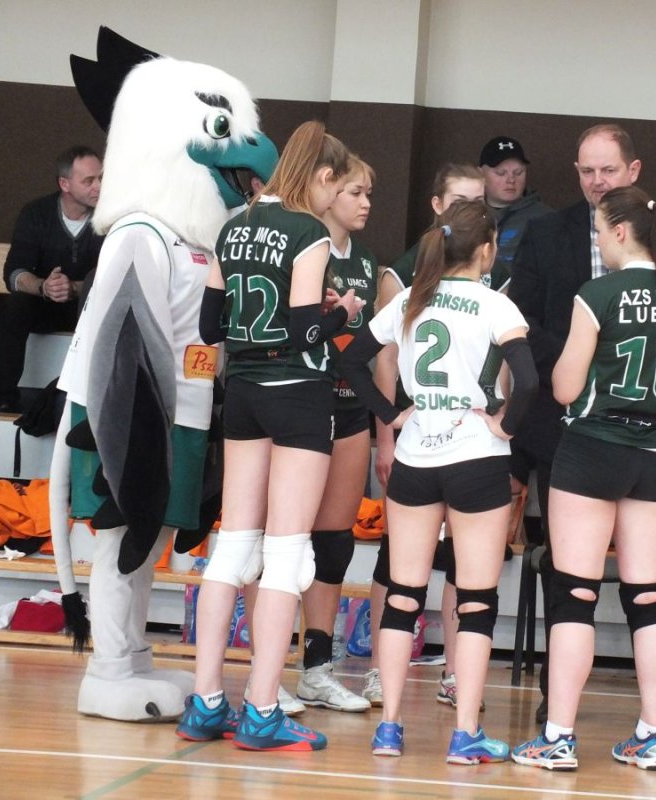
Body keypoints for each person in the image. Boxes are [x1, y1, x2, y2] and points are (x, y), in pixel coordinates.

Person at [176, 120, 363, 752]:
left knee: (232, 547)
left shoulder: (232, 227)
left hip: (245, 395)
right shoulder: (308, 231)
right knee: (286, 554)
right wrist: (343, 312)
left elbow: (210, 326)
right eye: (337, 184)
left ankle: (206, 701)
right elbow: (307, 332)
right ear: (324, 176)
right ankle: (261, 709)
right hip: (298, 395)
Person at [511, 186, 656, 772]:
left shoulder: (597, 293)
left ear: (621, 232)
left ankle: (558, 737)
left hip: (591, 450)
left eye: (600, 231)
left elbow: (566, 387)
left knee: (575, 593)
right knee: (651, 598)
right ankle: (653, 735)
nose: (597, 240)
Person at [336, 199, 537, 764]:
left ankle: (389, 728)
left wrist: (392, 413)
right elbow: (528, 380)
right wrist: (505, 426)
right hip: (477, 459)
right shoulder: (497, 304)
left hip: (415, 459)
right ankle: (465, 732)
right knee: (476, 600)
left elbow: (350, 362)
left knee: (403, 594)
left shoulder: (409, 299)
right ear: (486, 249)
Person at [367, 163, 491, 711]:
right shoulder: (404, 275)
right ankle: (384, 671)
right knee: (402, 564)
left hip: (460, 440)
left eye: (479, 202)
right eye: (461, 201)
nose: (471, 212)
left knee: (458, 565)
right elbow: (381, 360)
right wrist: (386, 431)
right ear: (437, 206)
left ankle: (447, 680)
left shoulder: (485, 275)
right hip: (426, 437)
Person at [290, 157, 380, 714]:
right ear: (326, 190)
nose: (366, 202)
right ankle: (266, 669)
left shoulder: (368, 263)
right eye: (355, 192)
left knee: (334, 541)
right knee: (283, 540)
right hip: (301, 404)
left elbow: (378, 344)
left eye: (369, 192)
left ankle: (317, 669)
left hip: (350, 409)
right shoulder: (305, 246)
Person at [0, 146, 103, 412]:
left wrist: (74, 288)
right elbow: (14, 273)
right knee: (15, 306)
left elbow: (114, 275)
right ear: (65, 184)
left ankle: (99, 403)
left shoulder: (110, 217)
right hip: (43, 306)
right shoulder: (36, 213)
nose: (98, 186)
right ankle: (1, 398)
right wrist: (45, 286)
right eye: (89, 181)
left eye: (101, 178)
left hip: (87, 309)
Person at [478, 135, 552, 274]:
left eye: (518, 172)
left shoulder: (546, 219)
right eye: (501, 173)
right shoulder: (469, 214)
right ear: (480, 174)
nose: (511, 180)